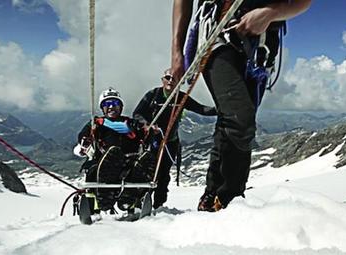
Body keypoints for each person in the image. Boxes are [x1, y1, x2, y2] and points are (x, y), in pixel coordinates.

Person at [170, 0, 311, 211]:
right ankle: (230, 201)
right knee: (239, 118)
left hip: (262, 45)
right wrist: (176, 52)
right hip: (219, 30)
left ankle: (212, 195)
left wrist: (270, 13)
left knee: (231, 119)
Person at [133, 68, 217, 209]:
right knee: (149, 171)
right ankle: (139, 201)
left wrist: (220, 109)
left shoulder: (181, 98)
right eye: (168, 77)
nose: (171, 81)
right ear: (163, 80)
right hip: (153, 140)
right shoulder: (153, 95)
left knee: (164, 175)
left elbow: (201, 109)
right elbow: (137, 114)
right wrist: (146, 125)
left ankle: (159, 205)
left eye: (174, 79)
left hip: (170, 142)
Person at [74, 87, 155, 214]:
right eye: (107, 104)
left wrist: (149, 131)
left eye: (115, 104)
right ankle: (96, 204)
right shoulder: (97, 124)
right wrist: (85, 140)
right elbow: (83, 135)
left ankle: (129, 200)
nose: (111, 107)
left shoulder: (131, 123)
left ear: (121, 107)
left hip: (129, 160)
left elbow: (146, 137)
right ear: (102, 108)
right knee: (94, 169)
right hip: (103, 161)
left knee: (143, 162)